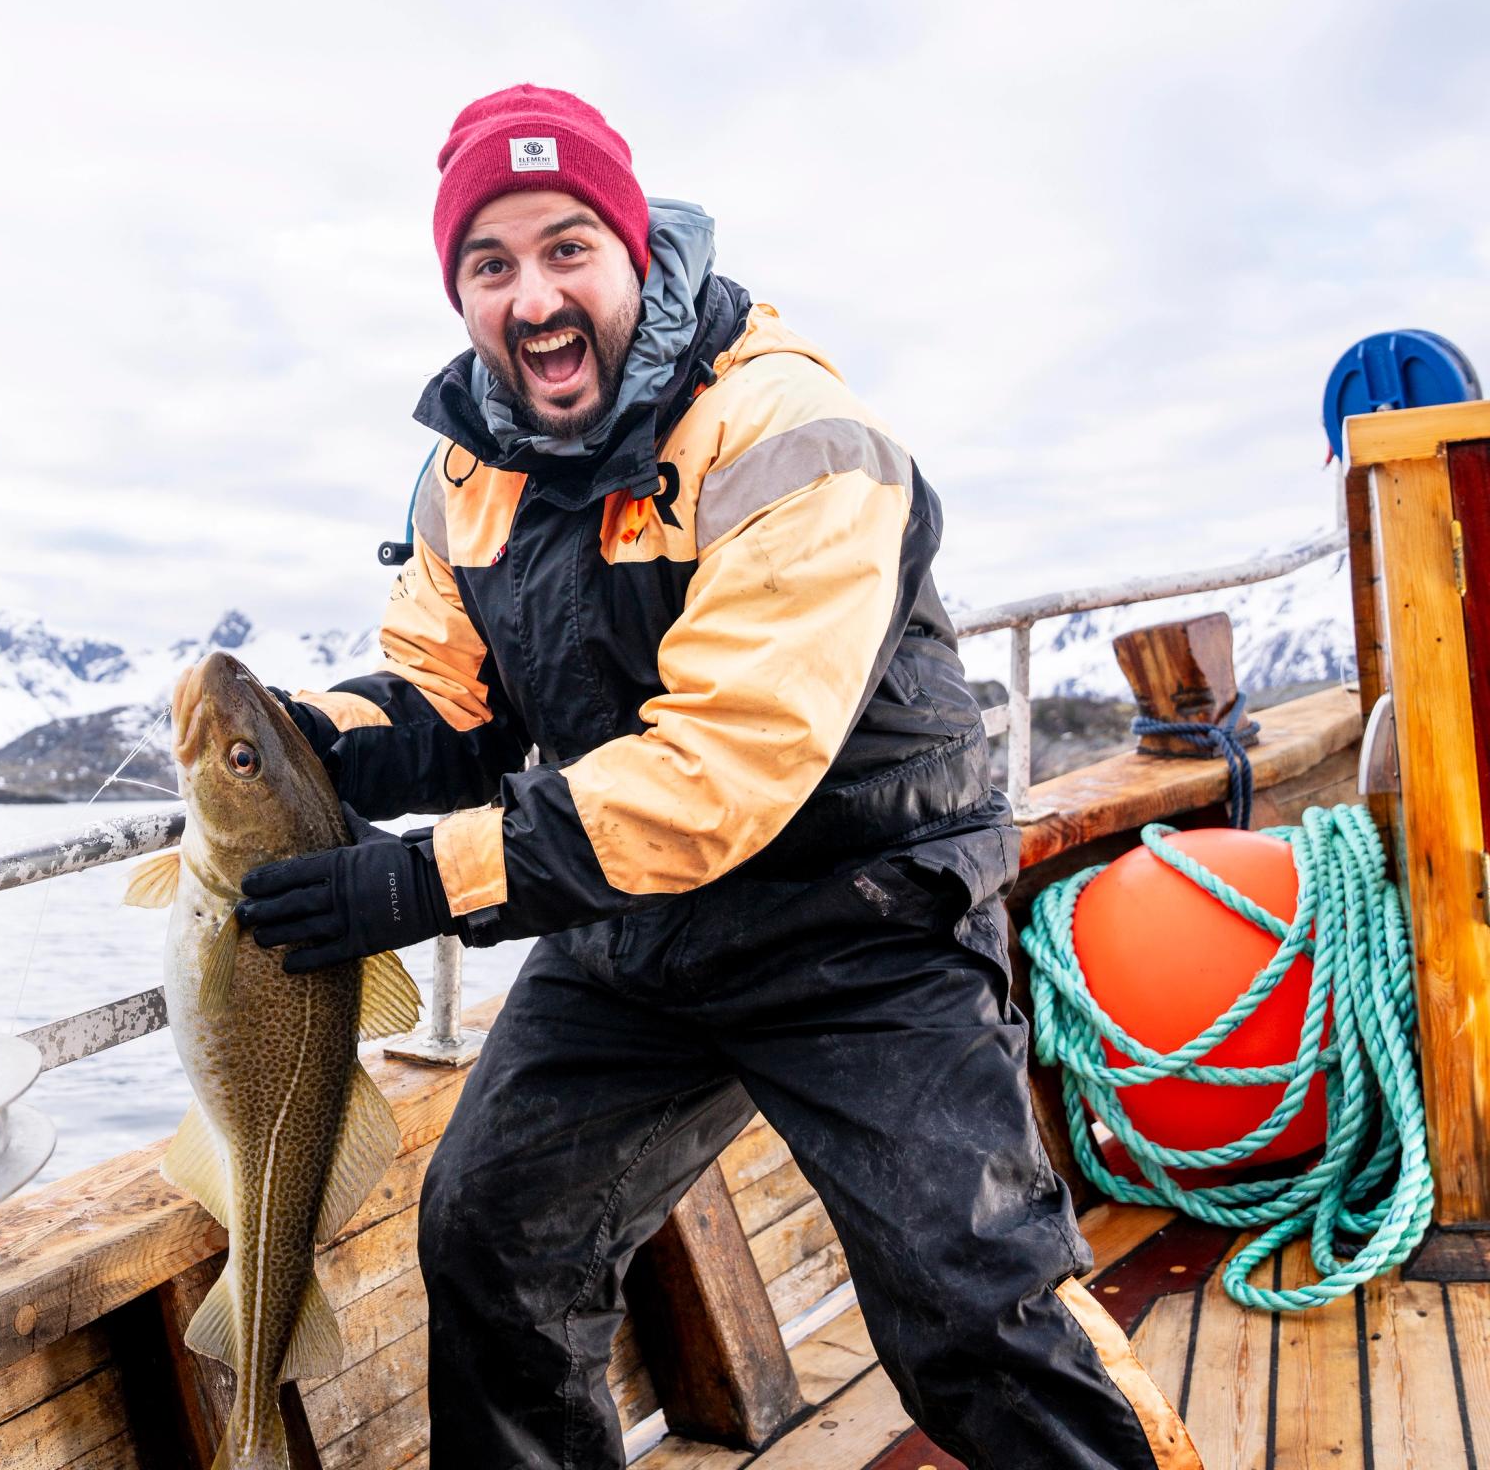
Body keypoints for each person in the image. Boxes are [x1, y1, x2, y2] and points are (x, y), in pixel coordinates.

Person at [233, 84, 1198, 1470]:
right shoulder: (465, 471)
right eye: (490, 265)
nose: (533, 297)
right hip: (634, 931)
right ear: (459, 295)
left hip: (856, 920)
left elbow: (724, 767)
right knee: (491, 1238)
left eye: (567, 247)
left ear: (636, 250)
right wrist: (299, 741)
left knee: (973, 1310)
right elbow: (451, 699)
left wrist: (413, 883)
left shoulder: (790, 431)